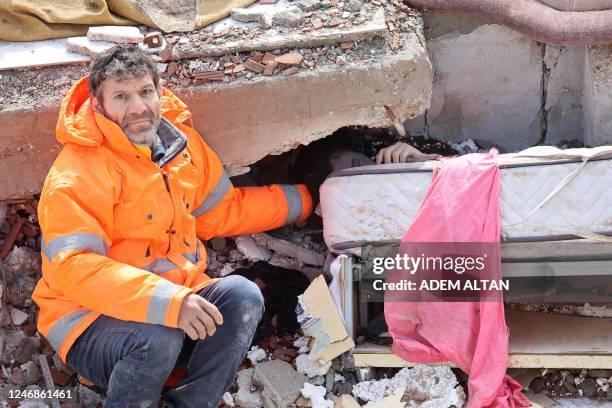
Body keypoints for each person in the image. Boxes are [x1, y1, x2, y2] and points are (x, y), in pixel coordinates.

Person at [32, 44, 312, 408]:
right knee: (157, 337)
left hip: (175, 309)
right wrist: (169, 302)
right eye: (121, 96)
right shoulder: (77, 174)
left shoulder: (181, 147)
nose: (138, 107)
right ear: (98, 105)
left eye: (146, 92)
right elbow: (74, 268)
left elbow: (222, 212)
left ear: (160, 93)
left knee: (243, 297)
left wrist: (307, 200)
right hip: (90, 325)